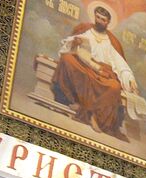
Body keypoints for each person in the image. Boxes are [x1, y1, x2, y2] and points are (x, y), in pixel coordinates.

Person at [51, 5, 139, 141]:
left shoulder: (111, 41)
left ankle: (93, 114)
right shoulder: (86, 31)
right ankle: (77, 102)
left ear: (108, 22)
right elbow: (70, 45)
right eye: (97, 17)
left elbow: (121, 64)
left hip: (103, 71)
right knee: (67, 58)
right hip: (86, 65)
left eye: (103, 19)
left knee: (114, 87)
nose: (99, 21)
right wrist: (75, 43)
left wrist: (130, 79)